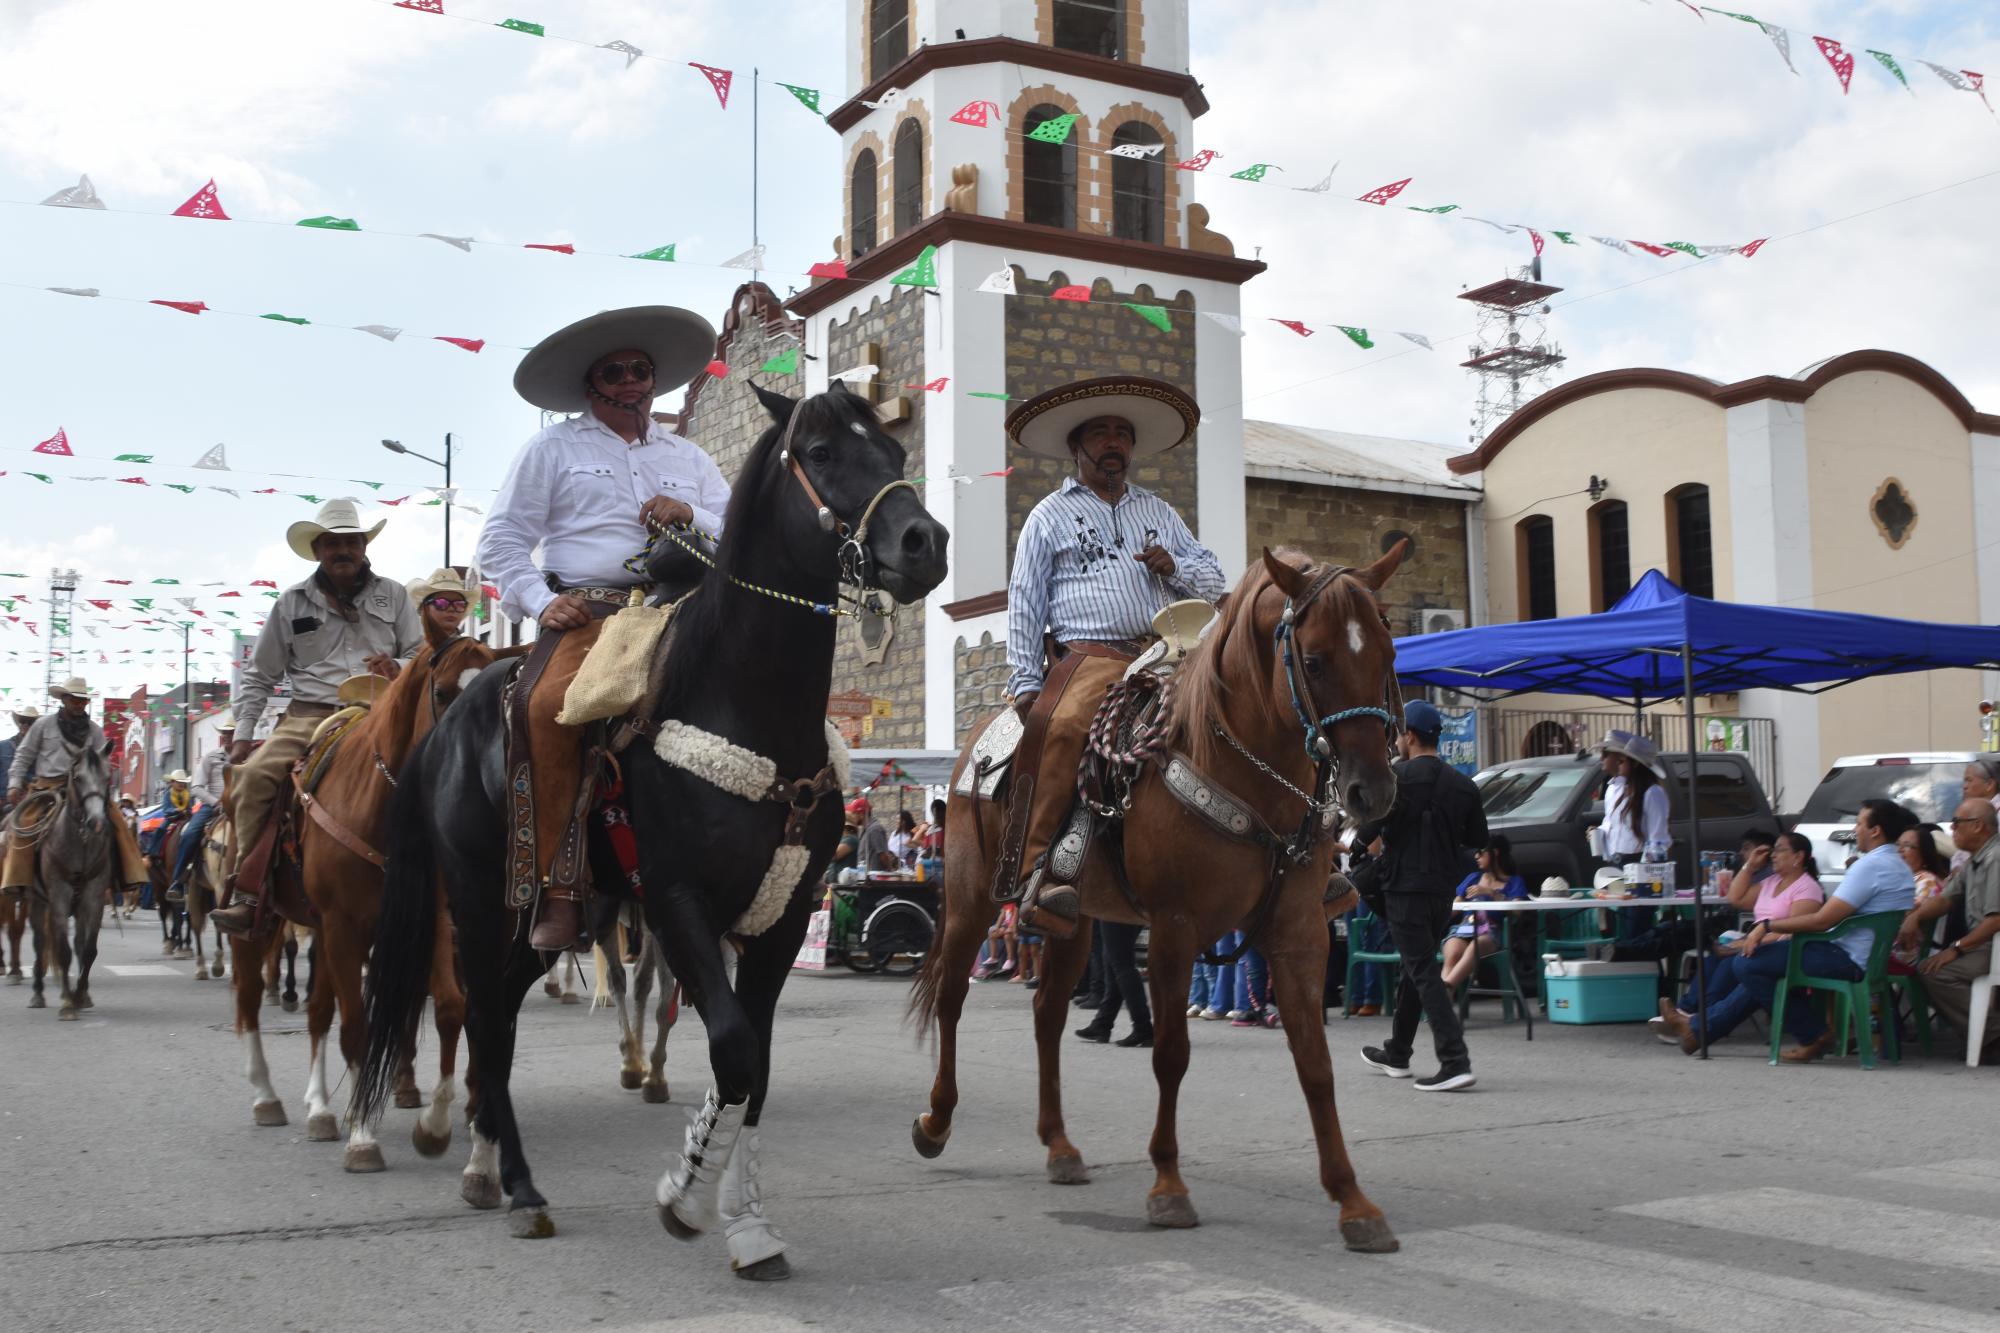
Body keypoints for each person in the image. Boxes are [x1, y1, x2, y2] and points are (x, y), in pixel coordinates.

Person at [476, 304, 725, 950]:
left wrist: (690, 511)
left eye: (640, 370)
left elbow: (735, 528)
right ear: (592, 385)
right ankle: (559, 887)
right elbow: (500, 541)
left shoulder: (690, 456)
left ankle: (744, 873)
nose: (631, 381)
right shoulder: (551, 447)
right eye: (615, 371)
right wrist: (537, 599)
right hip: (589, 610)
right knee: (547, 708)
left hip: (679, 605)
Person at [993, 375, 1225, 937]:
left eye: (1122, 432)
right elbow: (1025, 599)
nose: (1114, 442)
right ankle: (1037, 871)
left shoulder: (1160, 512)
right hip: (1088, 657)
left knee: (1234, 709)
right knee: (1065, 725)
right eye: (1101, 433)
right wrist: (1027, 681)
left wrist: (1176, 568)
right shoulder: (1048, 516)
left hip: (1168, 652)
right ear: (1078, 447)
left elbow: (1215, 581)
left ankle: (1289, 849)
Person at [209, 500, 422, 936]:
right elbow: (260, 676)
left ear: (363, 546)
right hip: (309, 716)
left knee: (447, 774)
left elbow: (422, 654)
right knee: (251, 781)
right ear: (317, 549)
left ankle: (449, 892)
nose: (342, 550)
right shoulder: (290, 603)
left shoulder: (395, 594)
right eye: (332, 543)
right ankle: (251, 891)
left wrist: (398, 666)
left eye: (350, 542)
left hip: (379, 711)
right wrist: (244, 737)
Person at [1656, 800, 1917, 1061]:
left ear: (1875, 831)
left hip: (1846, 957)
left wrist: (1766, 926)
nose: (1854, 829)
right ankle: (1698, 1031)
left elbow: (1822, 921)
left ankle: (1813, 1034)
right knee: (1758, 970)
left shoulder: (1869, 866)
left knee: (1747, 963)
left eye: (1859, 823)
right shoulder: (1899, 867)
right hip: (1866, 957)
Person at [1357, 699, 1489, 1091]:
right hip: (1442, 893)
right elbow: (1477, 840)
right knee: (1415, 970)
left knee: (1423, 972)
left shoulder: (1395, 778)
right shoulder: (1464, 784)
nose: (1396, 741)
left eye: (1398, 734)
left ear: (1409, 736)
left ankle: (1454, 1060)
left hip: (1404, 889)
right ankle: (1397, 1052)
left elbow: (1366, 835)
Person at [1651, 831, 1823, 1042]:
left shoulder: (1807, 888)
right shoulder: (1771, 882)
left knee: (1729, 963)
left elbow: (1791, 933)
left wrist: (1744, 944)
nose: (1773, 855)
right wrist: (1749, 866)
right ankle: (1686, 1012)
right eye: (1773, 850)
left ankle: (1698, 1021)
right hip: (1757, 944)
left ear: (1798, 857)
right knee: (1711, 961)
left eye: (1780, 850)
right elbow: (1736, 898)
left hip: (1782, 951)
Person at [4, 678, 149, 901]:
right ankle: (16, 880)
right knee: (24, 823)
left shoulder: (95, 731)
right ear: (64, 699)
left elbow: (103, 763)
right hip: (47, 786)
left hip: (85, 787)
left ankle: (128, 875)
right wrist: (15, 783)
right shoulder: (43, 725)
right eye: (74, 699)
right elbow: (24, 755)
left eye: (82, 700)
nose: (78, 704)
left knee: (118, 823)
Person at [1897, 799, 2000, 1062]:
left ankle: (1990, 1035)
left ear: (1977, 826)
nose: (1951, 829)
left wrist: (1956, 949)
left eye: (1956, 823)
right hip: (1983, 942)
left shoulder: (1995, 857)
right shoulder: (1976, 860)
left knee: (1937, 972)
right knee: (1927, 967)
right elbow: (1945, 898)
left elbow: (1996, 920)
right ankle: (1984, 1037)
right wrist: (1917, 916)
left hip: (1994, 943)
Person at [1441, 836, 1530, 991]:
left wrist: (1492, 893)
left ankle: (1445, 989)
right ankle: (1443, 1001)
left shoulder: (1514, 882)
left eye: (1480, 852)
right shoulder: (1473, 878)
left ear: (1494, 853)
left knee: (1475, 946)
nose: (1476, 856)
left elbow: (1517, 911)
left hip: (1490, 932)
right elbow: (1454, 908)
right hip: (1463, 929)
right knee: (1453, 952)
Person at [168, 714, 235, 905]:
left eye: (231, 733)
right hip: (213, 806)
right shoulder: (210, 757)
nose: (228, 737)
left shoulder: (247, 758)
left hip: (239, 806)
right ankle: (178, 880)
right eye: (225, 733)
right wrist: (216, 802)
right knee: (189, 834)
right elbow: (197, 787)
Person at [1075, 920, 1153, 1047]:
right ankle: (1102, 1023)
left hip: (1115, 908)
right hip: (1126, 909)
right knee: (1112, 960)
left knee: (1121, 964)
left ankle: (1143, 1027)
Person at [1597, 731, 1669, 865]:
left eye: (1623, 760)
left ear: (1634, 764)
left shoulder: (1653, 793)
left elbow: (1658, 838)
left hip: (1639, 863)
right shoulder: (1616, 789)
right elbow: (1614, 827)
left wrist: (1645, 869)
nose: (1619, 764)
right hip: (1616, 861)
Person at [405, 568, 472, 649]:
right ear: (424, 608)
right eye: (441, 603)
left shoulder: (471, 650)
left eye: (459, 604)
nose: (451, 609)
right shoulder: (406, 646)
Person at [0, 705, 36, 814]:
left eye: (30, 722)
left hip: (30, 800)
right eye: (23, 721)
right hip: (3, 799)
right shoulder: (3, 746)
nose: (25, 724)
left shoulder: (42, 751)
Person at [847, 798, 893, 873]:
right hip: (867, 877)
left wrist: (890, 871)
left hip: (875, 879)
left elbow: (883, 855)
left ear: (861, 814)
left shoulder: (874, 829)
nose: (852, 816)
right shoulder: (866, 829)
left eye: (853, 813)